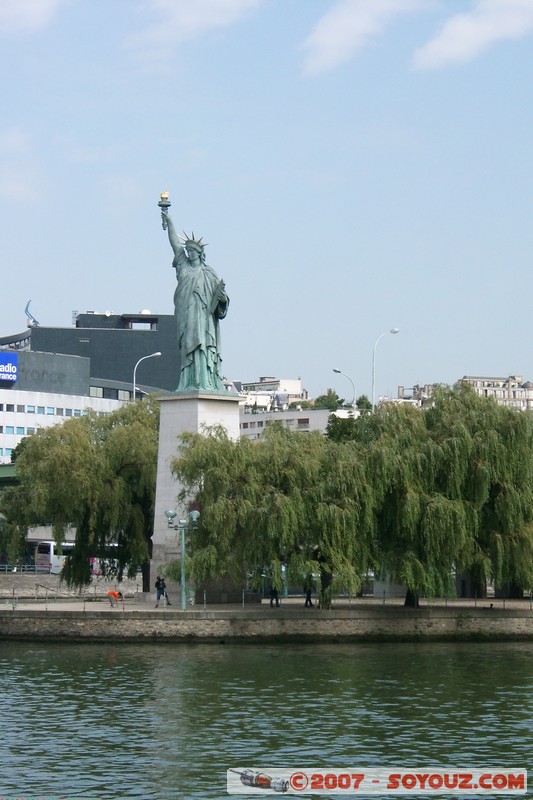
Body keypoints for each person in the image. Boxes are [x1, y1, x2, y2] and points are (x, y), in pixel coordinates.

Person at [160, 201, 229, 392]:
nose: (189, 254)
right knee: (188, 349)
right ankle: (189, 382)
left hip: (204, 320)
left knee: (204, 347)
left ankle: (205, 381)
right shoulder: (182, 264)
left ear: (200, 253)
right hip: (187, 317)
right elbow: (175, 243)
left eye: (193, 251)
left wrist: (222, 298)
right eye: (188, 251)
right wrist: (169, 219)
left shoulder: (209, 273)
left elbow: (221, 302)